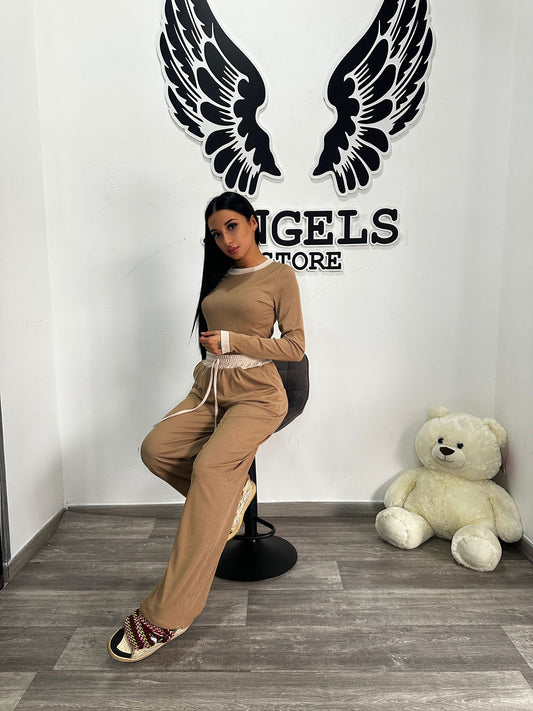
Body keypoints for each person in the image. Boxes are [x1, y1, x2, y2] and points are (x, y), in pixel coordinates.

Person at [108, 191, 305, 662]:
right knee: (156, 449)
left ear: (253, 222)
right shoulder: (217, 277)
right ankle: (230, 500)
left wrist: (234, 340)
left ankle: (167, 614)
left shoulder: (279, 275)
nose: (226, 239)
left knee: (212, 470)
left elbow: (295, 347)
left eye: (233, 226)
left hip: (259, 392)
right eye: (216, 233)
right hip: (210, 386)